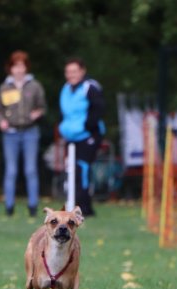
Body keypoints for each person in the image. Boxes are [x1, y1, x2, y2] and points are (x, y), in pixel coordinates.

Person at [0, 50, 46, 217]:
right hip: (10, 133)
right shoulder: (4, 87)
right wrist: (1, 121)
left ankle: (33, 207)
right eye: (15, 66)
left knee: (30, 170)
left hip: (30, 131)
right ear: (10, 68)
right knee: (11, 171)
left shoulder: (35, 86)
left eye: (22, 66)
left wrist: (37, 114)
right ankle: (9, 207)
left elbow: (42, 107)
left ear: (26, 68)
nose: (19, 70)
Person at [58, 57, 106, 217]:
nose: (71, 74)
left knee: (81, 169)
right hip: (71, 137)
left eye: (74, 71)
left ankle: (84, 208)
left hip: (88, 135)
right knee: (71, 170)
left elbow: (98, 109)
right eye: (68, 72)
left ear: (82, 71)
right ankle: (76, 206)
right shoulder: (65, 88)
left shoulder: (90, 87)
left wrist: (86, 127)